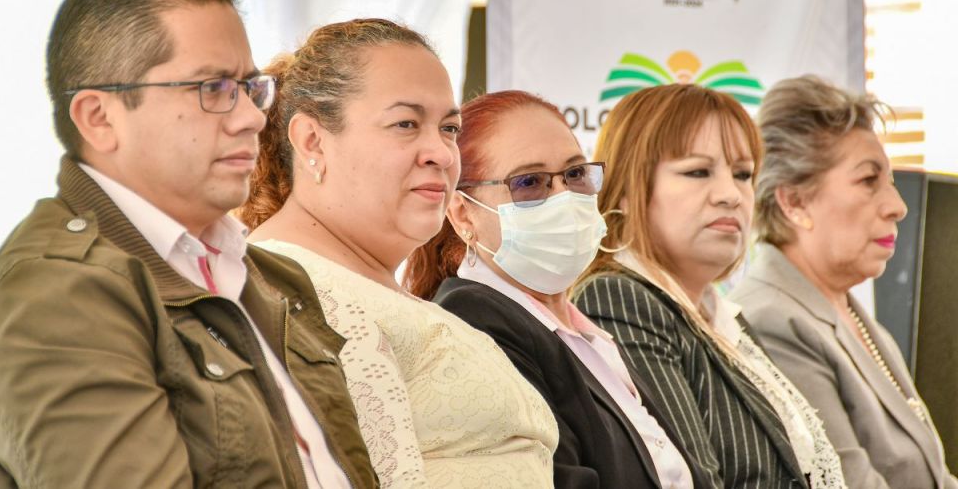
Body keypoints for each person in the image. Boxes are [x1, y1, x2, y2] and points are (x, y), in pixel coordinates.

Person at [0, 0, 378, 488]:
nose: (252, 117)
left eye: (248, 86)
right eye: (213, 88)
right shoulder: (58, 295)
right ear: (99, 118)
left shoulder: (269, 276)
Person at [239, 20, 558, 488]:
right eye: (405, 124)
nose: (441, 153)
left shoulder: (350, 287)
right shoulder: (296, 293)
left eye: (449, 128)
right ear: (312, 141)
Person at [406, 89, 710, 488]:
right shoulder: (474, 324)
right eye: (530, 182)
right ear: (463, 214)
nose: (565, 197)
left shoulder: (583, 334)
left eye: (575, 174)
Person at [573, 83, 846, 489]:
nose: (731, 195)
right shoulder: (618, 299)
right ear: (628, 189)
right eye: (697, 171)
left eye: (743, 174)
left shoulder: (723, 318)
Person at [731, 75, 957, 488]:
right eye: (869, 181)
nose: (897, 206)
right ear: (795, 202)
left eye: (890, 182)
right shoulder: (772, 322)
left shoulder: (847, 312)